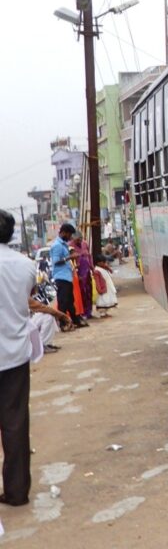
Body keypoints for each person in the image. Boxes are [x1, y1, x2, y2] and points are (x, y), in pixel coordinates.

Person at [0, 210, 38, 506]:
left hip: (13, 353)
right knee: (15, 423)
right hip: (14, 355)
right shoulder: (26, 265)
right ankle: (16, 491)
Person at [51, 223, 84, 326]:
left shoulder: (63, 245)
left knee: (70, 301)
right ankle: (63, 324)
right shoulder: (57, 245)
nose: (70, 238)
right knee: (63, 302)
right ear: (64, 233)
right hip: (61, 277)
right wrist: (70, 257)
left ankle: (75, 321)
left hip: (67, 276)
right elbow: (56, 261)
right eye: (69, 235)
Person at [71, 234, 94, 321]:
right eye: (77, 240)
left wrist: (92, 267)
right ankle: (82, 312)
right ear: (74, 238)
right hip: (78, 272)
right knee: (81, 292)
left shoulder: (85, 244)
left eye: (80, 239)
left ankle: (89, 312)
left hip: (87, 271)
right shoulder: (70, 245)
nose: (79, 241)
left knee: (88, 291)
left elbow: (89, 256)